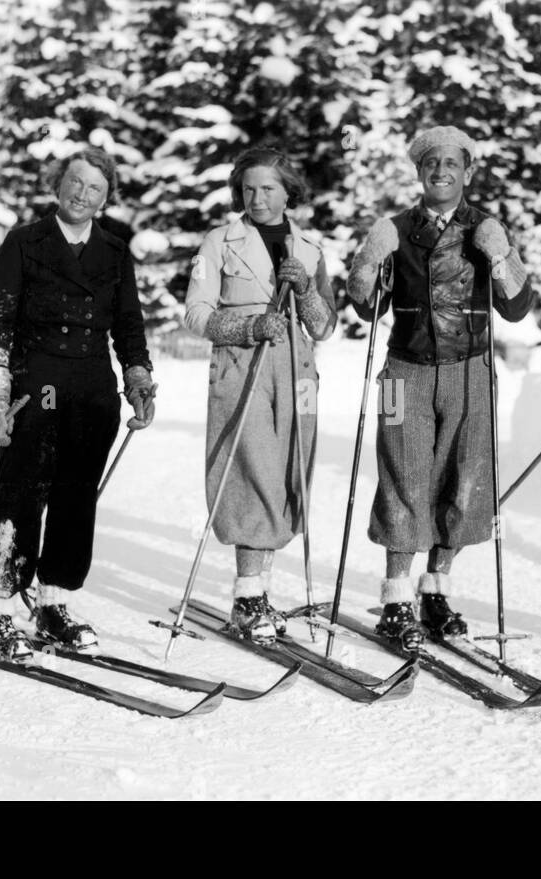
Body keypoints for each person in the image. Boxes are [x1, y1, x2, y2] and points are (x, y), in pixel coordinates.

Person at [345, 125, 534, 651]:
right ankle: (395, 600)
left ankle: (436, 591)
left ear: (468, 171)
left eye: (453, 163)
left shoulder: (484, 228)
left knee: (464, 476)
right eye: (432, 163)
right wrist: (366, 263)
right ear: (419, 171)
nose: (442, 172)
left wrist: (500, 256)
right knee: (402, 475)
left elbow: (517, 308)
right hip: (403, 369)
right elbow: (367, 309)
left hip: (470, 369)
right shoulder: (396, 228)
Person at [0, 147, 156, 660]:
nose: (82, 194)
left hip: (93, 390)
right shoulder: (24, 243)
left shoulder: (115, 251)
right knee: (21, 495)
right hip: (37, 385)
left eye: (94, 188)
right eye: (75, 182)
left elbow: (128, 325)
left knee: (77, 500)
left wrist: (138, 382)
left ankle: (53, 606)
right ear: (59, 185)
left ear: (104, 198)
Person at [183, 147, 335, 643]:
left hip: (297, 369)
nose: (258, 198)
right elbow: (196, 314)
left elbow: (325, 325)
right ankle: (249, 596)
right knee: (253, 473)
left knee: (290, 474)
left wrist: (308, 290)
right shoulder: (218, 242)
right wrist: (248, 326)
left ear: (289, 190)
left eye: (268, 188)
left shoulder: (309, 248)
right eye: (248, 188)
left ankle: (260, 591)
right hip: (242, 365)